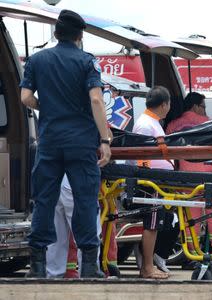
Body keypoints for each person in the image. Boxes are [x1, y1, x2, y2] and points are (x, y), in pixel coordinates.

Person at [20, 10, 111, 278]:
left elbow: (26, 97)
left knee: (44, 200)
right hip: (81, 143)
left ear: (56, 33)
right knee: (84, 200)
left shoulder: (37, 60)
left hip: (49, 141)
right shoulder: (87, 62)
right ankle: (90, 267)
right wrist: (104, 138)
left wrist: (45, 107)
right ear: (80, 35)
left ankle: (37, 266)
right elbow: (96, 100)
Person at [166, 92, 212, 257]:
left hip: (186, 177)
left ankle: (192, 253)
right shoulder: (209, 123)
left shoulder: (173, 125)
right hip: (209, 176)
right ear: (195, 106)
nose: (205, 111)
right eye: (203, 107)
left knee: (190, 217)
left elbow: (170, 155)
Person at [131, 86, 172, 279]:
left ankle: (147, 266)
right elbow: (142, 158)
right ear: (164, 104)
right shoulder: (146, 124)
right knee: (152, 224)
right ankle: (147, 268)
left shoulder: (152, 122)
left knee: (155, 224)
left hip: (156, 181)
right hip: (150, 183)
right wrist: (150, 179)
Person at [46, 175, 102, 278]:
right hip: (78, 179)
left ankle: (52, 280)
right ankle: (89, 279)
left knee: (56, 238)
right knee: (87, 236)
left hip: (52, 180)